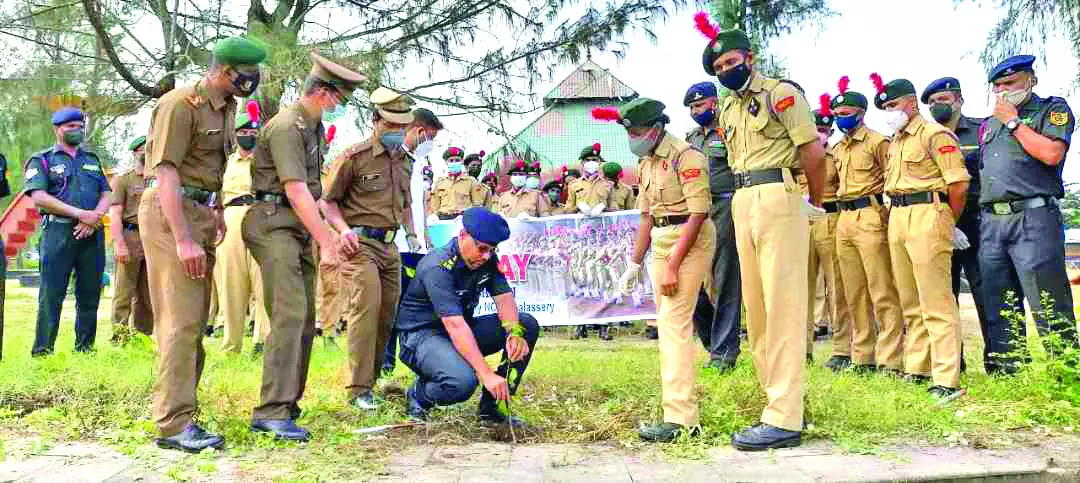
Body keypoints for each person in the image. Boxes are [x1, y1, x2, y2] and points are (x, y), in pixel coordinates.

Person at [700, 18, 825, 450]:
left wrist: (816, 202)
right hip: (743, 197)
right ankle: (777, 401)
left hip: (779, 193)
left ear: (750, 58)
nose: (725, 70)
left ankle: (785, 418)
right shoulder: (728, 107)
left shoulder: (781, 94)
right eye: (718, 67)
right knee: (757, 308)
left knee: (784, 305)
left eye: (731, 61)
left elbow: (812, 150)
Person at [139, 36, 266, 452]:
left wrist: (213, 212)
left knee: (193, 319)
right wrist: (183, 240)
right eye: (247, 75)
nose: (252, 82)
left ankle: (182, 413)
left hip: (197, 212)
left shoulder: (225, 107)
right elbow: (167, 174)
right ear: (226, 71)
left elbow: (208, 169)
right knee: (180, 320)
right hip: (168, 214)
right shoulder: (180, 104)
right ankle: (173, 425)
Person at [242, 52, 365, 441]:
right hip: (273, 222)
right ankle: (271, 411)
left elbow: (313, 194)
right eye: (340, 100)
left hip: (296, 226)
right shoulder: (287, 126)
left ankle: (288, 404)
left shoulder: (310, 127)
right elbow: (294, 190)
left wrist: (334, 229)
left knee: (305, 318)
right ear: (324, 93)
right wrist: (327, 242)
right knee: (289, 314)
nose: (340, 108)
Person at [594, 97, 713, 443]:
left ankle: (682, 421)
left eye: (636, 130)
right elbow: (646, 216)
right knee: (667, 325)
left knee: (674, 324)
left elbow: (698, 213)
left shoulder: (686, 156)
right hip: (662, 237)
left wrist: (673, 265)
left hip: (688, 239)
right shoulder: (646, 162)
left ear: (657, 128)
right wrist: (633, 264)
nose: (632, 137)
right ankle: (676, 410)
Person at [322, 86, 423, 410]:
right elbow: (328, 202)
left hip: (390, 247)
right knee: (364, 312)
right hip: (359, 245)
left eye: (401, 126)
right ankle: (358, 389)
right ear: (375, 120)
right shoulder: (354, 157)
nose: (396, 132)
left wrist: (413, 234)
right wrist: (343, 230)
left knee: (386, 315)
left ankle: (374, 378)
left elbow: (405, 203)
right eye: (390, 125)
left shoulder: (404, 161)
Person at [978, 55, 1079, 373]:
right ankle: (1009, 373)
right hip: (993, 222)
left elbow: (1051, 154)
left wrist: (1013, 121)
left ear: (1030, 80)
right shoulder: (989, 124)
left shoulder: (1052, 108)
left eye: (1010, 84)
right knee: (999, 302)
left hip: (1033, 218)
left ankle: (1066, 373)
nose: (1003, 92)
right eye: (997, 87)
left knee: (1048, 300)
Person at [397, 207, 540, 427]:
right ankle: (419, 394)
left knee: (526, 324)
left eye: (492, 250)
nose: (487, 256)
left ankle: (492, 409)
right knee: (462, 382)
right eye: (482, 248)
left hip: (459, 330)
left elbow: (504, 298)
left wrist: (514, 333)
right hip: (421, 336)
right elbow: (454, 325)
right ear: (463, 235)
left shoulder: (487, 258)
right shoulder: (438, 266)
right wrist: (486, 374)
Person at [874, 74, 969, 400]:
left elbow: (958, 184)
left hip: (928, 213)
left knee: (937, 302)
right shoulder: (896, 141)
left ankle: (946, 379)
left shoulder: (934, 134)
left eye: (894, 104)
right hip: (898, 216)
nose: (890, 111)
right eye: (885, 107)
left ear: (912, 103)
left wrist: (946, 221)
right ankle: (917, 368)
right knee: (910, 302)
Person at [829, 78, 904, 374]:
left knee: (881, 288)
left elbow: (894, 179)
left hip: (871, 215)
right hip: (844, 218)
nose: (841, 119)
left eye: (846, 113)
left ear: (861, 113)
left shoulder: (878, 142)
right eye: (837, 115)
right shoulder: (837, 148)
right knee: (854, 291)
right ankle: (862, 356)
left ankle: (891, 358)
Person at [26, 106, 111, 357]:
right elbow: (39, 197)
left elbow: (107, 192)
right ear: (57, 129)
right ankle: (43, 351)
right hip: (58, 232)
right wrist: (79, 214)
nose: (77, 130)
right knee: (51, 294)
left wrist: (94, 217)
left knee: (89, 294)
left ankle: (84, 349)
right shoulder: (42, 160)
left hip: (92, 235)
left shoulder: (92, 160)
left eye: (79, 126)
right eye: (70, 127)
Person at [683, 81, 742, 372]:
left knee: (725, 279)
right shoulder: (690, 138)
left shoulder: (729, 131)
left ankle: (724, 353)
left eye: (700, 105)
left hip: (725, 207)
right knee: (690, 281)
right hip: (695, 211)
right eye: (692, 107)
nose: (696, 111)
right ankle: (711, 340)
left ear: (714, 103)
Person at [215, 102, 270, 354]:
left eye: (253, 132)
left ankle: (263, 341)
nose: (249, 136)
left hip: (261, 217)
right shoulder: (226, 163)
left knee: (264, 282)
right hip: (231, 220)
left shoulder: (267, 162)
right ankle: (231, 344)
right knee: (232, 284)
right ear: (236, 134)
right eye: (244, 132)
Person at [801, 99, 853, 365]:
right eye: (815, 129)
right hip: (800, 221)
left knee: (837, 287)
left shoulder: (839, 155)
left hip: (831, 217)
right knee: (801, 287)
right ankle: (803, 348)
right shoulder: (794, 155)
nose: (820, 134)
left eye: (825, 129)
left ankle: (841, 349)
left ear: (831, 132)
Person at [109, 135, 153, 343]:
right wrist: (119, 244)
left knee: (148, 291)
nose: (147, 152)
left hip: (153, 239)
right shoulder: (123, 179)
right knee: (124, 290)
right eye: (143, 149)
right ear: (135, 152)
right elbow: (115, 213)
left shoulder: (158, 178)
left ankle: (143, 336)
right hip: (130, 235)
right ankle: (119, 335)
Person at [427, 147, 488, 221]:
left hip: (463, 219)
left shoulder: (471, 181)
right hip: (444, 219)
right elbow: (435, 206)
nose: (454, 162)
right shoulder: (440, 182)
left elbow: (477, 205)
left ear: (462, 161)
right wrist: (434, 217)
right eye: (451, 160)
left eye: (457, 160)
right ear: (446, 162)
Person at [562, 143, 614, 216]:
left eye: (594, 160)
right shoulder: (573, 185)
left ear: (599, 162)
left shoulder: (608, 184)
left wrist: (603, 208)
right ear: (582, 163)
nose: (591, 162)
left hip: (602, 224)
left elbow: (614, 209)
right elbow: (567, 211)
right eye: (588, 160)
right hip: (581, 225)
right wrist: (578, 208)